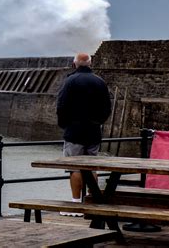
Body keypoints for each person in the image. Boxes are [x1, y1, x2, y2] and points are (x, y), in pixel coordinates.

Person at [56, 52, 111, 216]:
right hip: (94, 131)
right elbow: (107, 107)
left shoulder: (70, 81)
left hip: (74, 131)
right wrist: (98, 122)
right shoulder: (100, 81)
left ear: (75, 64)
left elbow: (61, 106)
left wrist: (65, 125)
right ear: (90, 64)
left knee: (75, 168)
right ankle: (91, 199)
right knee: (91, 166)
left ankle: (75, 204)